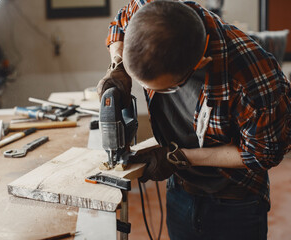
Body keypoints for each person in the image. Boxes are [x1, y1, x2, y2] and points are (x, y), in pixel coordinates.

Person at [97, 1, 291, 239]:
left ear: (199, 64)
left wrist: (179, 157)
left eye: (164, 89)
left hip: (233, 203)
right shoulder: (151, 11)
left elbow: (263, 153)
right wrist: (118, 64)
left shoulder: (254, 79)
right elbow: (121, 20)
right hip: (180, 189)